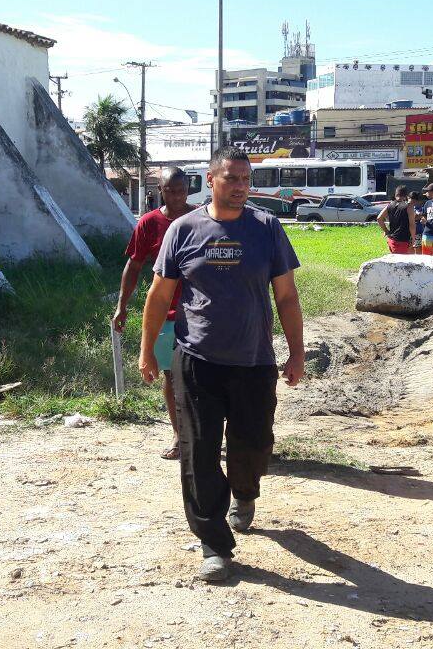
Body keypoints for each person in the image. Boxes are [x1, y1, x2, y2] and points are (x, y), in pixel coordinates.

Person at [139, 147, 305, 582]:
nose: (241, 187)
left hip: (253, 360)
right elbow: (159, 295)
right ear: (210, 180)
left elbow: (286, 296)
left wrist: (297, 351)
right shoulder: (183, 230)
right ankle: (214, 544)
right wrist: (146, 350)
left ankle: (245, 492)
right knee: (199, 453)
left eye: (246, 180)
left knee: (252, 445)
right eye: (232, 178)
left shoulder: (267, 229)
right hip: (198, 359)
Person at [113, 168, 196, 459]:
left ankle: (205, 432)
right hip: (166, 314)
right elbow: (133, 267)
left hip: (200, 314)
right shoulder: (149, 223)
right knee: (171, 376)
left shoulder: (201, 218)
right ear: (160, 190)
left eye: (182, 190)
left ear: (189, 189)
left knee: (203, 377)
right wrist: (122, 306)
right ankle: (178, 435)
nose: (176, 196)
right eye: (170, 190)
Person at [376, 185, 414, 254]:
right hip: (403, 240)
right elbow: (412, 225)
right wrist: (413, 239)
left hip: (391, 240)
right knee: (403, 263)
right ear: (406, 195)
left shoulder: (390, 205)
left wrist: (386, 231)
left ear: (396, 194)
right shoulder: (409, 206)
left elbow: (379, 218)